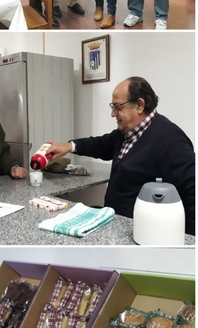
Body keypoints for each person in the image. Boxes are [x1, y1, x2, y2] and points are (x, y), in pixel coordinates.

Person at [46, 77, 195, 235]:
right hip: (115, 226)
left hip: (141, 234)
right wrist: (69, 146)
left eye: (117, 107)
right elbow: (101, 144)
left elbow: (193, 192)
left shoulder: (171, 141)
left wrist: (189, 246)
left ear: (139, 105)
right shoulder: (126, 133)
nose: (113, 114)